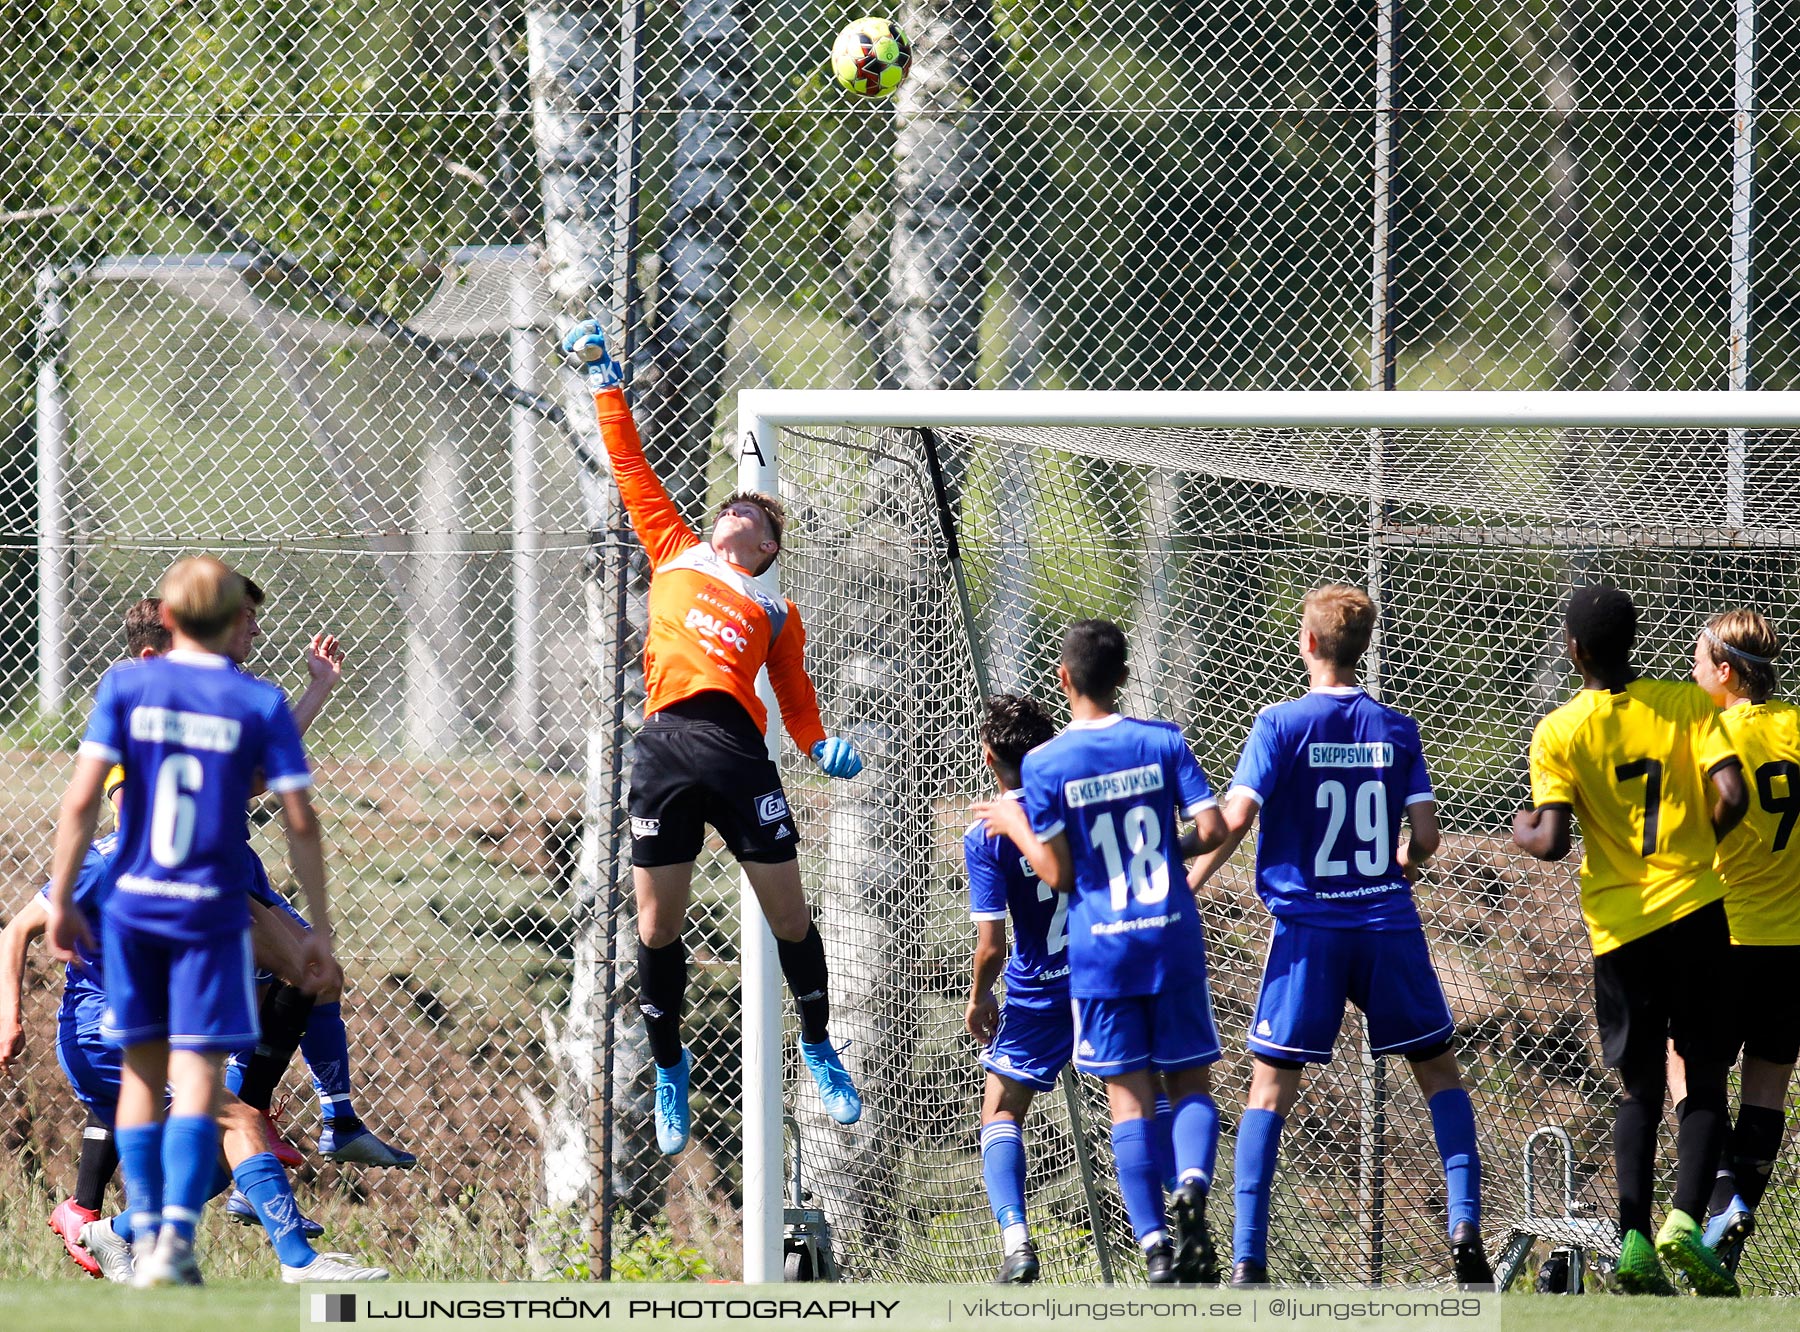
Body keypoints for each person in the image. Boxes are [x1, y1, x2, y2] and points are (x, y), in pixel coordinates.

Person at [560, 320, 865, 1154]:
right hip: (662, 748)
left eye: (751, 515)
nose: (732, 510)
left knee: (790, 918)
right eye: (729, 504)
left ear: (765, 550)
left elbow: (797, 701)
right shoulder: (674, 548)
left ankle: (819, 1046)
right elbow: (630, 466)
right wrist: (603, 384)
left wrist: (817, 746)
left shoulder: (776, 610)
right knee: (657, 929)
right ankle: (669, 1066)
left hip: (737, 755)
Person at [42, 556, 338, 1286]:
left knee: (142, 1080)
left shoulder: (126, 685)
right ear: (232, 620)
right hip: (208, 913)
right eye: (248, 614)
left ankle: (146, 1241)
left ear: (169, 619)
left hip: (139, 909)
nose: (255, 627)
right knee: (202, 1086)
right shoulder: (259, 703)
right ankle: (165, 1239)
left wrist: (61, 897)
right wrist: (319, 929)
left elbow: (81, 803)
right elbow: (299, 822)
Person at [1187, 585, 1491, 1287]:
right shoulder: (1397, 728)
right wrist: (1399, 873)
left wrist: (1189, 883)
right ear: (1361, 647)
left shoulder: (1278, 724)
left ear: (1311, 643)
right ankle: (1465, 1220)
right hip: (1386, 923)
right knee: (1440, 1074)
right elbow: (1426, 836)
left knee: (1268, 1091)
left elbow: (1232, 821)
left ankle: (1247, 1258)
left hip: (1309, 933)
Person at [0, 773, 388, 1283]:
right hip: (102, 1035)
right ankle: (299, 1261)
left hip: (158, 1032)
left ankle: (121, 1229)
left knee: (228, 1152)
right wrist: (9, 1016)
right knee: (241, 1124)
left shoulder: (206, 866)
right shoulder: (107, 858)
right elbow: (16, 931)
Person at [1513, 583, 1747, 1296]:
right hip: (1698, 913)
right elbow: (1732, 794)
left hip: (1621, 930)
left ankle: (1636, 1240)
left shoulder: (1558, 732)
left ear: (1573, 649)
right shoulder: (1685, 705)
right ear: (1636, 640)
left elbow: (1551, 842)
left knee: (1639, 1088)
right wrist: (1696, 853)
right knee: (1704, 1077)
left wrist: (1520, 830)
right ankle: (1686, 1220)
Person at [997, 620, 1227, 1284]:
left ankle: (1154, 1243)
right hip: (1169, 936)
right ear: (1123, 676)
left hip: (1103, 950)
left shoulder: (1044, 765)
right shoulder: (1162, 740)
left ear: (1064, 679)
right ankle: (1190, 1183)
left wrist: (1014, 823)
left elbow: (1061, 875)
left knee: (1126, 1100)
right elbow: (1209, 829)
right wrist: (1157, 849)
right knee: (1186, 1083)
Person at [1677, 607, 1800, 1271]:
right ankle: (1728, 1237)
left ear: (1725, 672)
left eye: (1698, 662)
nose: (1691, 672)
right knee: (1766, 1091)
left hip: (1723, 937)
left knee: (1681, 1063)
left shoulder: (1709, 734)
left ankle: (1708, 1201)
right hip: (1793, 947)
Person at [960, 694, 1066, 1284]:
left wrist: (979, 996)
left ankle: (1018, 1246)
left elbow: (992, 946)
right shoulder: (1078, 801)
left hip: (1038, 992)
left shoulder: (989, 832)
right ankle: (1171, 1230)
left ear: (988, 754)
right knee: (1140, 1095)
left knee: (1001, 1108)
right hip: (1102, 977)